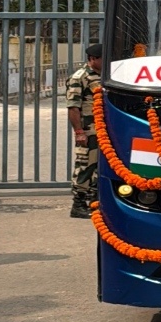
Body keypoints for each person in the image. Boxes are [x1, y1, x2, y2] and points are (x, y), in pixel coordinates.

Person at [65, 43, 103, 219]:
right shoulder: (79, 77)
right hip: (88, 129)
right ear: (93, 59)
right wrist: (79, 131)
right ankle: (78, 204)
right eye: (102, 59)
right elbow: (73, 107)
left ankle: (94, 200)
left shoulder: (104, 75)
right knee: (85, 164)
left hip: (102, 128)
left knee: (99, 165)